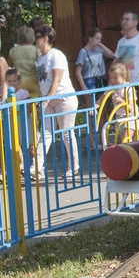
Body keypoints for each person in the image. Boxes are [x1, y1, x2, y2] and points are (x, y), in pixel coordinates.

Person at [31, 25, 79, 180]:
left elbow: (56, 80)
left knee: (66, 133)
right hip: (48, 99)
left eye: (37, 37)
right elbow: (41, 82)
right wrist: (42, 99)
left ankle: (74, 167)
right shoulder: (39, 58)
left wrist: (46, 100)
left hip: (64, 97)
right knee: (44, 133)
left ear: (45, 38)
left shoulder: (56, 55)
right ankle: (36, 167)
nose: (35, 40)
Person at [98, 63, 137, 144]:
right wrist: (94, 107)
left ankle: (130, 155)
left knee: (126, 141)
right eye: (111, 78)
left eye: (116, 78)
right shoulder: (112, 87)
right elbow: (101, 99)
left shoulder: (129, 88)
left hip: (130, 117)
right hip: (119, 116)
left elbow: (130, 109)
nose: (113, 80)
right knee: (124, 142)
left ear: (124, 77)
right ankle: (129, 155)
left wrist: (121, 101)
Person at [5, 69, 32, 170]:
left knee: (31, 144)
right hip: (13, 121)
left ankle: (37, 166)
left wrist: (17, 110)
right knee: (16, 143)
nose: (12, 83)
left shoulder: (23, 93)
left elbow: (29, 107)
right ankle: (23, 164)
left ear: (19, 81)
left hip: (24, 121)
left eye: (14, 80)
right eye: (9, 81)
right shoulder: (6, 95)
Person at [75, 27, 114, 91]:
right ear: (90, 38)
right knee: (91, 100)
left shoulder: (100, 49)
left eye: (100, 39)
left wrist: (102, 45)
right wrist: (83, 86)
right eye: (97, 38)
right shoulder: (83, 51)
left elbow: (111, 55)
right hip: (89, 80)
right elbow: (78, 71)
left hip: (101, 79)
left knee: (103, 100)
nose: (99, 41)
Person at [8, 26, 40, 99]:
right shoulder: (36, 50)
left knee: (20, 106)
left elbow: (9, 66)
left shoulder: (13, 51)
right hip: (33, 82)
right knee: (34, 104)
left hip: (19, 83)